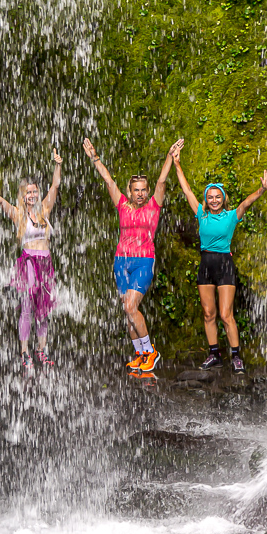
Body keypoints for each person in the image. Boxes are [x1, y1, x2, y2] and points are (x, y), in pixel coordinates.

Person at [83, 137, 183, 373]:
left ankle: (150, 352)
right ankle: (139, 354)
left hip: (143, 261)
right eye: (135, 190)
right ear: (129, 191)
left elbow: (161, 180)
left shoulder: (153, 206)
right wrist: (95, 158)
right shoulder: (121, 205)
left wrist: (169, 156)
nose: (139, 193)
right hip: (121, 262)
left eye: (143, 190)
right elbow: (108, 180)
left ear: (148, 192)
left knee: (130, 307)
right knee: (127, 312)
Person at [171, 144, 267, 373]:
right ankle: (214, 354)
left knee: (226, 314)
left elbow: (246, 202)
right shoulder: (201, 214)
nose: (214, 200)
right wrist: (177, 164)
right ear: (206, 200)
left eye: (218, 197)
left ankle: (236, 357)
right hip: (206, 264)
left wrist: (262, 190)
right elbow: (186, 190)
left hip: (225, 264)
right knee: (209, 313)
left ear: (223, 199)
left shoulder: (231, 215)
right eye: (210, 197)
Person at [0, 149, 62, 369]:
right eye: (28, 193)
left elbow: (55, 186)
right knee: (27, 306)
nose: (32, 195)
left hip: (46, 262)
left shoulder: (44, 210)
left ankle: (41, 350)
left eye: (34, 192)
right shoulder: (18, 215)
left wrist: (57, 165)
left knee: (44, 310)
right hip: (29, 262)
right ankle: (24, 352)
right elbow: (0, 201)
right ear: (23, 196)